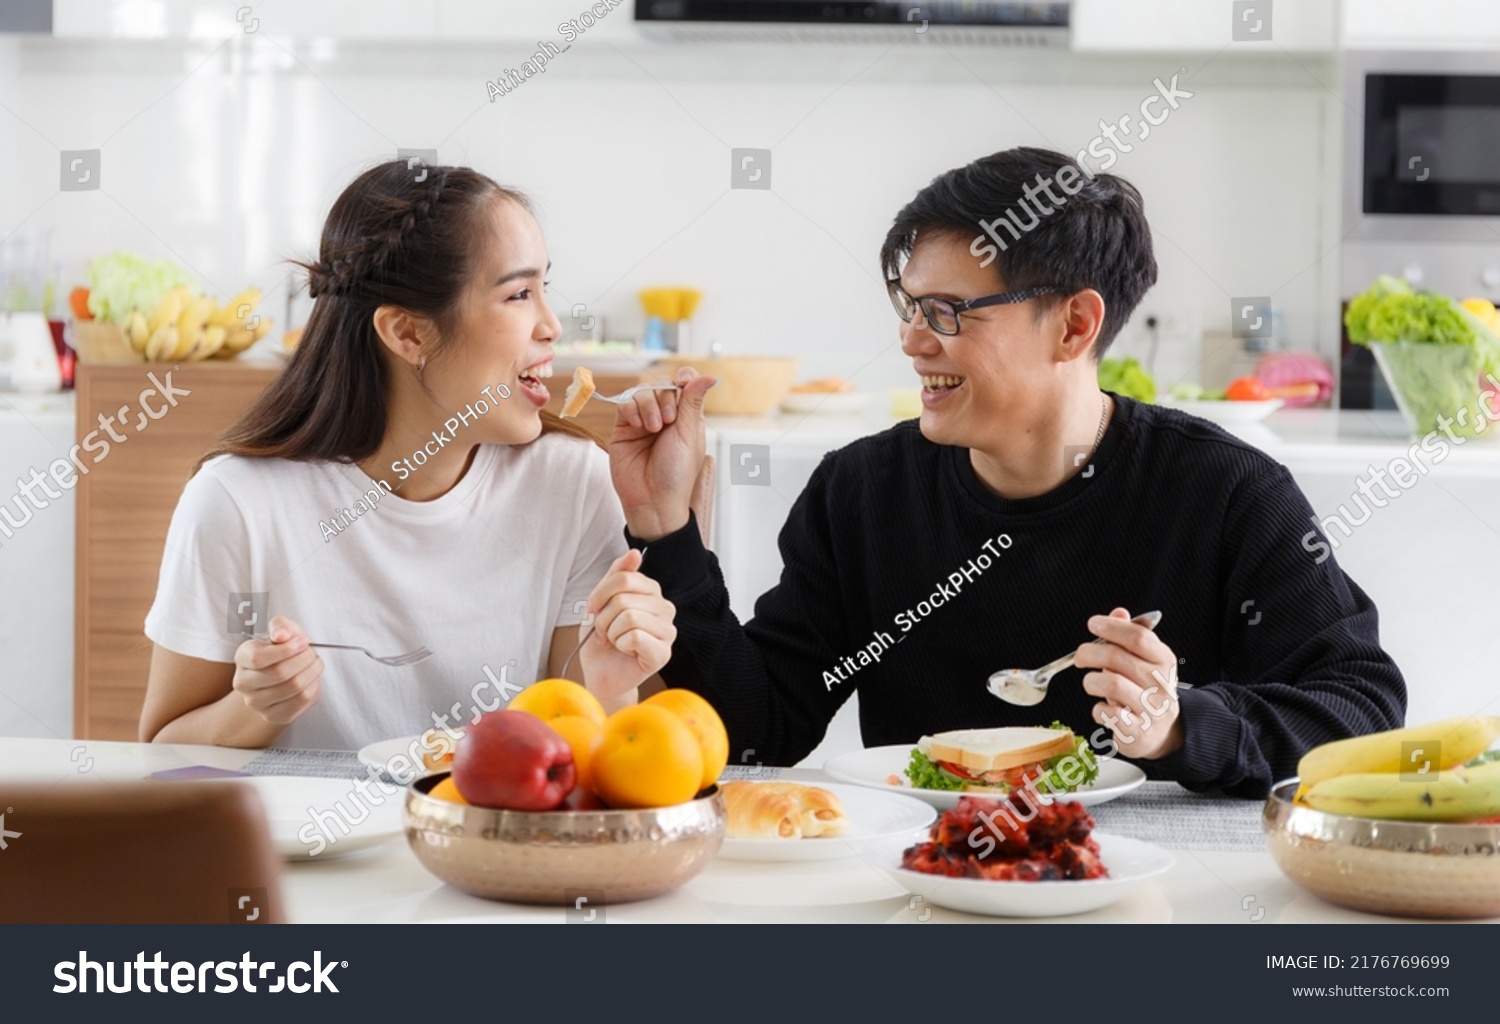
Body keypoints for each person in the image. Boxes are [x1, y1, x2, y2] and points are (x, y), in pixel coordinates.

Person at [606, 147, 1406, 798]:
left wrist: (1179, 725)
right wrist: (666, 529)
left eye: (948, 312)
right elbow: (758, 733)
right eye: (910, 307)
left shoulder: (1226, 492)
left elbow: (1361, 710)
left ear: (1075, 324)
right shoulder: (861, 495)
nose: (915, 341)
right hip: (925, 884)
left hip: (1152, 892)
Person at [139, 161, 676, 750]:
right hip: (307, 845)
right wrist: (254, 708)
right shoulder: (240, 503)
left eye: (545, 289)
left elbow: (585, 764)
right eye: (519, 294)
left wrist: (608, 687)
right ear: (407, 334)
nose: (551, 325)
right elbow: (165, 755)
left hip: (492, 841)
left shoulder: (571, 482)